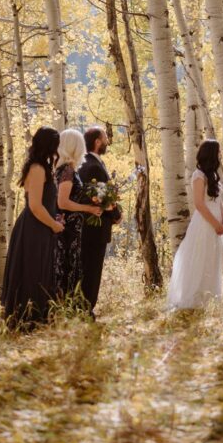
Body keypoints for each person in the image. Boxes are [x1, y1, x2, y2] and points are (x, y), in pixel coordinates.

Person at [1, 127, 64, 330]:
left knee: (40, 272)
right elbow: (35, 206)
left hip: (40, 227)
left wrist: (55, 218)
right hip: (33, 229)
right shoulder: (37, 169)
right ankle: (27, 322)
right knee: (32, 273)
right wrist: (53, 224)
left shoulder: (43, 166)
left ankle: (37, 320)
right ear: (50, 145)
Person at [167, 139, 223, 309]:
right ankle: (194, 298)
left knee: (212, 258)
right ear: (211, 154)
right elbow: (199, 204)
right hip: (204, 222)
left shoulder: (214, 175)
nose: (220, 154)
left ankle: (210, 296)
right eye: (218, 151)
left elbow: (219, 201)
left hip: (217, 222)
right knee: (201, 257)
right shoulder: (198, 175)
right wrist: (215, 223)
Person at [78, 127, 122, 316]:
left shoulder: (83, 164)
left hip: (86, 227)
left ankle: (82, 306)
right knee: (92, 270)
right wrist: (116, 214)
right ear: (97, 141)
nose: (107, 141)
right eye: (105, 138)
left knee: (85, 268)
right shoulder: (93, 166)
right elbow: (102, 198)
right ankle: (86, 308)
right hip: (94, 229)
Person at [54, 128, 101, 303]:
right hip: (68, 229)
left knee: (67, 269)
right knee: (67, 269)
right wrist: (87, 208)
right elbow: (62, 202)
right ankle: (64, 310)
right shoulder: (67, 171)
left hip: (69, 227)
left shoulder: (62, 169)